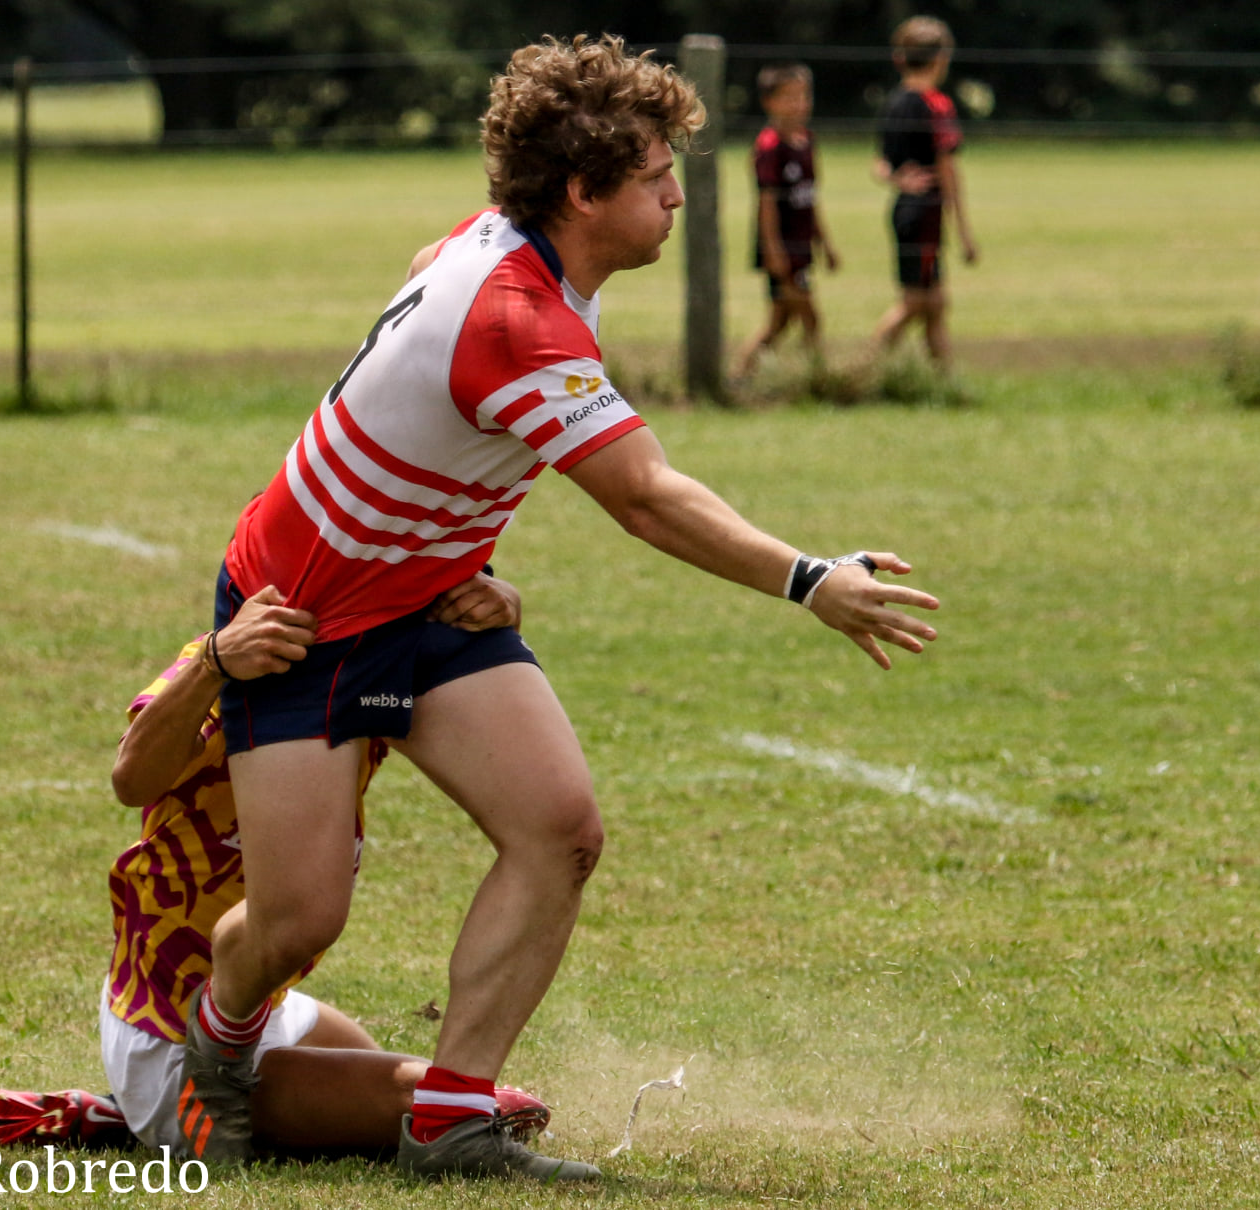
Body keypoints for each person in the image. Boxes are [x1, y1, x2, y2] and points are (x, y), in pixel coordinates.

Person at [184, 33, 940, 1185]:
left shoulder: (498, 249)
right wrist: (810, 577)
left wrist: (443, 543)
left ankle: (449, 1119)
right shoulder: (516, 317)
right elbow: (644, 496)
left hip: (433, 602)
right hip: (300, 620)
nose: (679, 193)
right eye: (654, 177)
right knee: (297, 924)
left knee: (559, 827)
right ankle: (219, 1043)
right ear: (582, 193)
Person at [0, 573, 551, 1157]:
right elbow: (131, 779)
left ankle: (122, 1119)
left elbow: (464, 726)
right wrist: (213, 662)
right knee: (481, 1108)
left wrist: (492, 637)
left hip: (261, 1006)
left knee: (424, 1093)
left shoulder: (369, 688)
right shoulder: (243, 660)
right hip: (173, 1029)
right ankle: (154, 1109)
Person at [870, 15, 978, 371]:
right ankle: (862, 367)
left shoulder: (895, 102)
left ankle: (945, 379)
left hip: (903, 210)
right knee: (916, 303)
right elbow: (948, 170)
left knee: (935, 304)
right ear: (941, 58)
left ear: (900, 57)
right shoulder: (937, 104)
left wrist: (899, 181)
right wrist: (964, 231)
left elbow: (880, 166)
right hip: (926, 215)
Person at [732, 61, 839, 381]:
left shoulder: (807, 141)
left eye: (804, 96)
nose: (800, 104)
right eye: (790, 97)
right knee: (809, 316)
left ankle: (741, 374)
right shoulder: (769, 148)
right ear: (769, 102)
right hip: (781, 248)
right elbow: (766, 205)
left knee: (780, 321)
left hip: (802, 244)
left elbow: (811, 198)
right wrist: (773, 251)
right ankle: (818, 377)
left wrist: (825, 243)